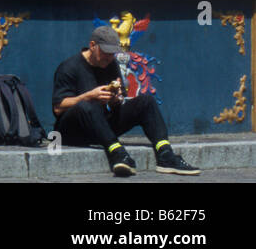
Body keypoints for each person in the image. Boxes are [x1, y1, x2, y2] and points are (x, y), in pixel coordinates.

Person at [52, 25, 200, 176]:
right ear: (92, 46)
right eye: (105, 52)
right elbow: (58, 108)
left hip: (101, 126)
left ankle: (166, 155)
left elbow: (115, 104)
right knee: (87, 105)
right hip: (73, 131)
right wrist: (88, 96)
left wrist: (115, 100)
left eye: (112, 53)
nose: (109, 57)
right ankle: (118, 154)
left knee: (146, 101)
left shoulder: (110, 64)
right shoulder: (69, 67)